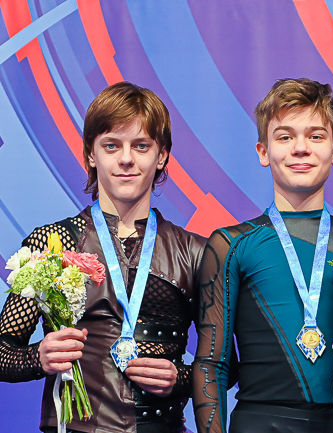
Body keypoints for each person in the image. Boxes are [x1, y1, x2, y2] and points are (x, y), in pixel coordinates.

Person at [0, 82, 206, 433]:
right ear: (91, 155)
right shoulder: (52, 243)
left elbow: (226, 365)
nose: (126, 159)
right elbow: (3, 352)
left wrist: (182, 377)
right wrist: (39, 357)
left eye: (141, 146)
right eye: (111, 145)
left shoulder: (195, 251)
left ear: (162, 156)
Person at [192, 78, 333, 433]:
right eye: (285, 137)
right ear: (263, 152)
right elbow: (212, 364)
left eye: (316, 136)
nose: (301, 148)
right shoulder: (231, 245)